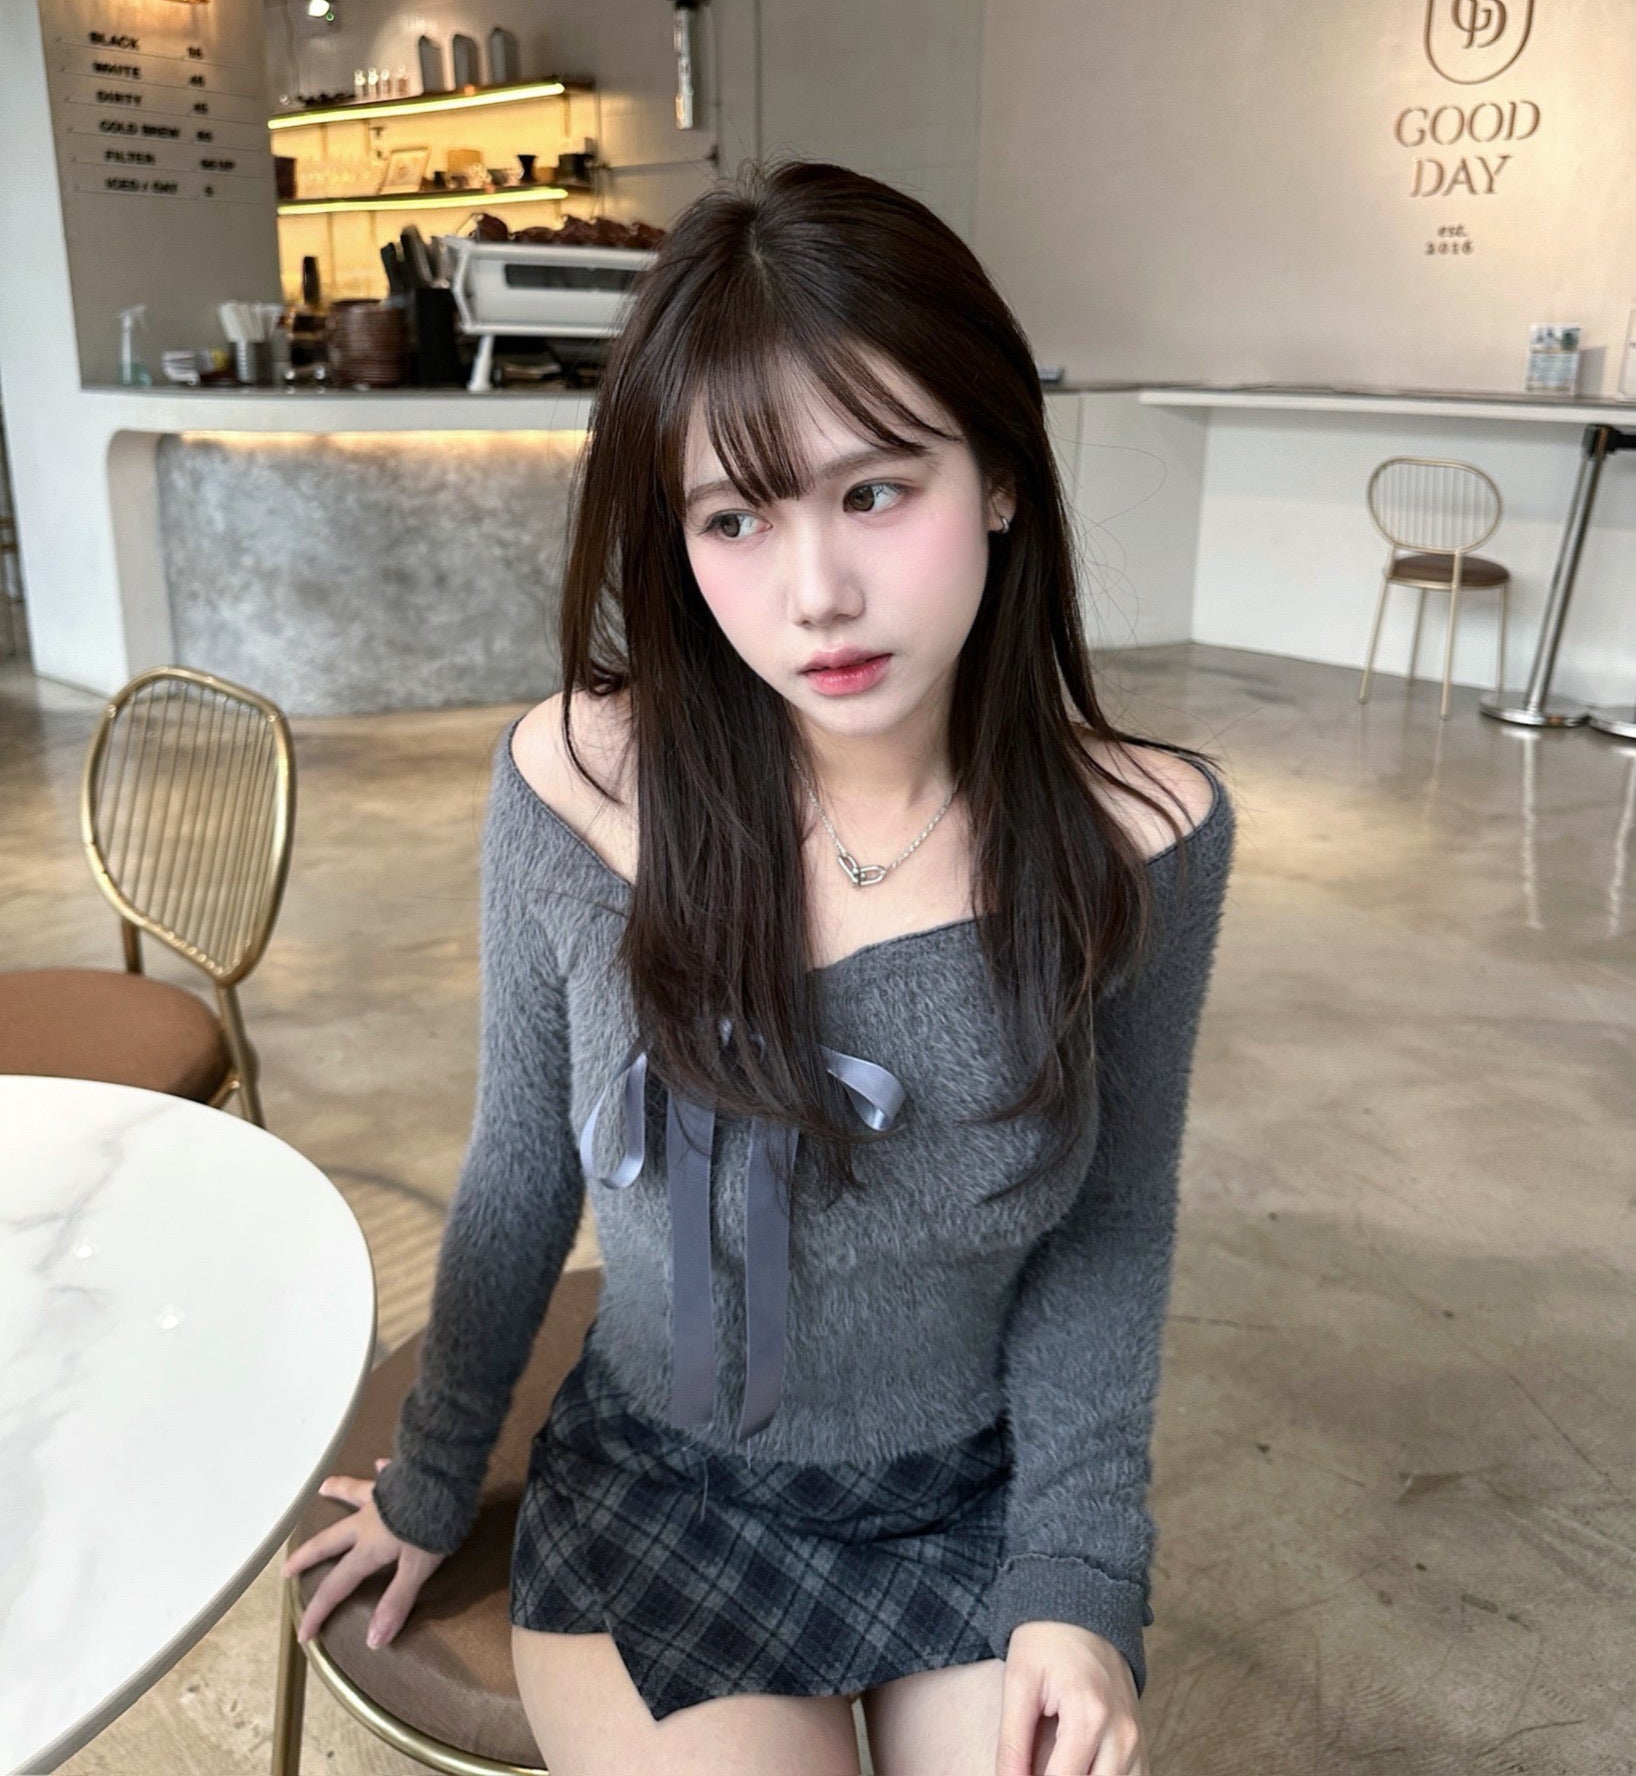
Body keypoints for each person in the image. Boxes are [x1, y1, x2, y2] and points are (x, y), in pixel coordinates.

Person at [283, 160, 1236, 1776]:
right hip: (669, 1490)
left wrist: (1081, 1581)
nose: (816, 596)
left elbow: (1109, 1227)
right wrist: (434, 1481)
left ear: (1002, 476)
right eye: (736, 517)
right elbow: (519, 1165)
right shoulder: (578, 787)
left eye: (876, 492)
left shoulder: (1141, 838)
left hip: (973, 1497)